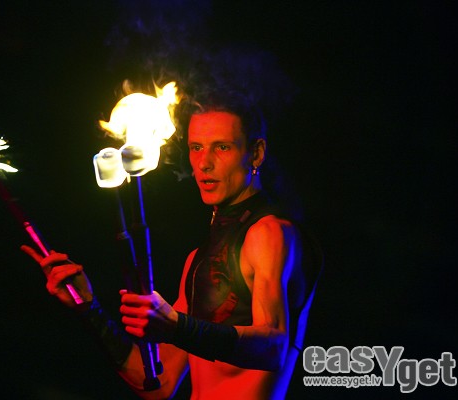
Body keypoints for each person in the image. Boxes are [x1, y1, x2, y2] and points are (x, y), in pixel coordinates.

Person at [22, 84, 322, 399]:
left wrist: (176, 326)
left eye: (221, 147)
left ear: (256, 153)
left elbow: (273, 349)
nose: (204, 163)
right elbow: (156, 383)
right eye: (196, 147)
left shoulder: (271, 233)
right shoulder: (197, 259)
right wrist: (88, 307)